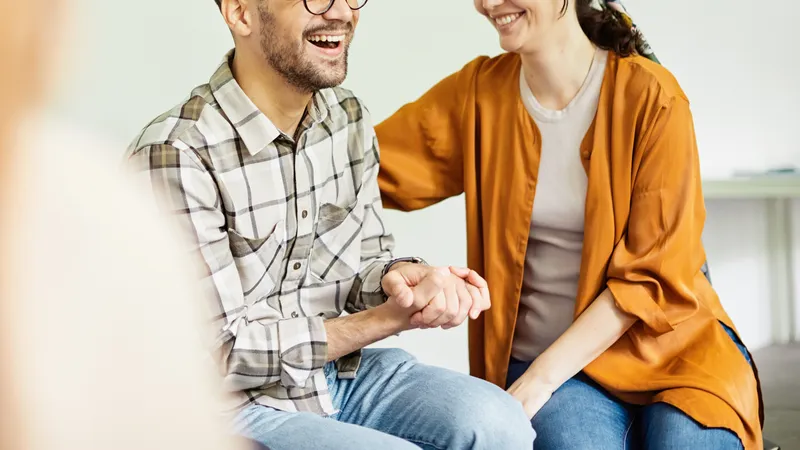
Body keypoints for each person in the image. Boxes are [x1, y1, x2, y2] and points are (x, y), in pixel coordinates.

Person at [124, 1, 535, 449]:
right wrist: (384, 320)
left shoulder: (346, 116)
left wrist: (404, 281)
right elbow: (218, 355)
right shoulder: (178, 153)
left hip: (336, 378)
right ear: (240, 13)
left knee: (500, 421)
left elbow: (366, 259)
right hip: (223, 409)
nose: (341, 11)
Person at [375, 0, 763, 448]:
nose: (487, 3)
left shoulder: (653, 96)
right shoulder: (479, 95)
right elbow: (360, 168)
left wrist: (538, 381)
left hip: (677, 356)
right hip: (553, 366)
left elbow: (650, 279)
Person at [0, 1, 254, 449]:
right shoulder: (172, 154)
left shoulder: (98, 207)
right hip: (253, 401)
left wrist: (389, 283)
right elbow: (225, 352)